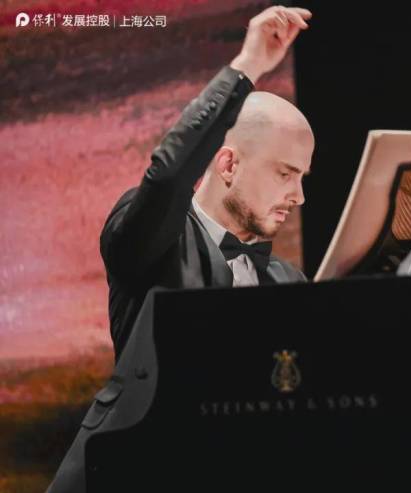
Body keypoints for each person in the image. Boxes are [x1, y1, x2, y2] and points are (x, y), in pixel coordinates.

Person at [100, 5, 314, 361]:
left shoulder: (290, 280)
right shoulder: (155, 245)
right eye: (285, 174)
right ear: (228, 165)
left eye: (302, 177)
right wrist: (248, 65)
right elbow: (168, 177)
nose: (299, 196)